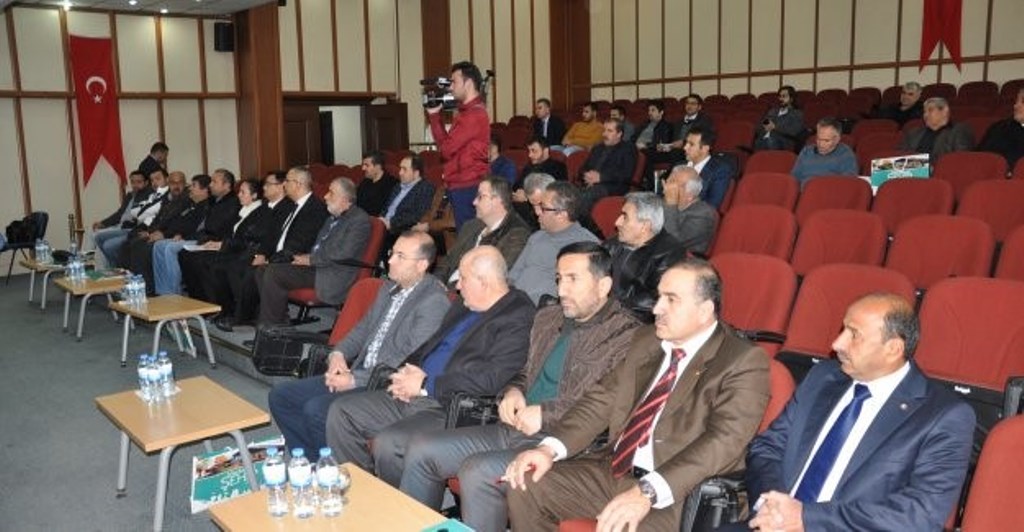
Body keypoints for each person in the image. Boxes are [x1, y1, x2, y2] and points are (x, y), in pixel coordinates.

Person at [504, 258, 771, 530]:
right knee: (526, 483)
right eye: (659, 297)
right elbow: (600, 400)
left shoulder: (742, 361)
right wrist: (548, 449)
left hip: (678, 493)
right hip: (615, 471)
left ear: (704, 311)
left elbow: (724, 441)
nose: (656, 309)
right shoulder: (647, 340)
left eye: (671, 300)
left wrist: (648, 491)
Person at [399, 242, 642, 531]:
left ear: (603, 286)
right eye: (558, 279)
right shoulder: (548, 317)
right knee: (422, 450)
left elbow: (605, 403)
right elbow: (525, 372)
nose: (562, 290)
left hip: (568, 444)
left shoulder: (628, 335)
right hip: (513, 427)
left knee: (478, 471)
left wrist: (545, 414)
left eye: (573, 279)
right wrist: (513, 391)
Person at [740, 293, 974, 532]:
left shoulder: (943, 416)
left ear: (893, 349)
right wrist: (775, 506)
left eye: (854, 335)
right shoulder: (822, 377)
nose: (836, 344)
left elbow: (918, 516)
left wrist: (806, 518)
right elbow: (767, 448)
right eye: (843, 330)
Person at [324, 246, 536, 483]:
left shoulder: (517, 315)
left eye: (463, 278)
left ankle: (396, 504)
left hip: (449, 405)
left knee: (390, 443)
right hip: (415, 391)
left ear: (484, 282)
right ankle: (361, 490)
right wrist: (404, 373)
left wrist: (426, 385)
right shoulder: (465, 304)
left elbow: (491, 378)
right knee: (342, 413)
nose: (457, 285)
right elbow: (430, 346)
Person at [268, 231, 450, 456]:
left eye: (400, 256)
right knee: (281, 396)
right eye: (392, 253)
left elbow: (406, 359)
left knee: (317, 410)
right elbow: (361, 330)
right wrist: (338, 355)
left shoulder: (433, 302)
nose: (390, 260)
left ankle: (331, 468)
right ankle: (312, 461)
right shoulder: (389, 288)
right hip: (360, 372)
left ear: (422, 264)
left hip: (384, 385)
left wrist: (355, 380)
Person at [254, 177, 370, 328]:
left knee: (273, 273)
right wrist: (305, 257)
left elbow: (343, 254)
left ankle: (271, 329)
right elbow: (319, 246)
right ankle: (279, 323)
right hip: (317, 266)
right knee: (262, 270)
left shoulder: (359, 220)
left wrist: (311, 259)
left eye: (331, 193)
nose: (325, 196)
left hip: (332, 273)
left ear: (344, 198)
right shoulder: (332, 218)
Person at [210, 171, 295, 332]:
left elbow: (273, 236)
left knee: (237, 268)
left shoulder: (286, 207)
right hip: (255, 248)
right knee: (218, 266)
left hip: (268, 252)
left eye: (268, 184)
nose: (264, 187)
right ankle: (228, 311)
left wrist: (261, 253)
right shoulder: (265, 206)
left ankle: (244, 317)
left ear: (281, 186)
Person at [179, 177, 268, 305]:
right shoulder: (243, 210)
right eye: (239, 191)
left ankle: (217, 304)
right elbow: (229, 233)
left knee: (206, 262)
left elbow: (247, 241)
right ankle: (199, 300)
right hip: (231, 247)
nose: (239, 195)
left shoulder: (259, 213)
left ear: (254, 195)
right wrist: (217, 243)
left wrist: (222, 245)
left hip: (241, 252)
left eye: (243, 192)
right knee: (187, 255)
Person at [508, 181, 600, 305]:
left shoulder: (586, 247)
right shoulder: (537, 237)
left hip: (542, 310)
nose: (537, 212)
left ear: (561, 215)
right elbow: (513, 276)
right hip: (513, 303)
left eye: (543, 208)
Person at [153, 169, 239, 295]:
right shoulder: (214, 200)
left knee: (172, 249)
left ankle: (174, 292)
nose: (210, 185)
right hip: (201, 237)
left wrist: (188, 237)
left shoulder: (232, 203)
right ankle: (163, 290)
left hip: (214, 241)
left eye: (214, 182)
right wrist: (182, 235)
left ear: (226, 185)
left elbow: (213, 228)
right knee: (159, 245)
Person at [604, 192, 686, 323]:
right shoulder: (615, 242)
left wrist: (609, 308)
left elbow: (656, 299)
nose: (617, 222)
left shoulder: (670, 254)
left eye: (625, 217)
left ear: (644, 226)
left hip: (632, 322)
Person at [433, 177, 531, 286]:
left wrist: (450, 289)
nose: (474, 202)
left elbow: (493, 277)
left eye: (480, 197)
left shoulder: (517, 234)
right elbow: (448, 261)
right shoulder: (471, 226)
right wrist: (437, 283)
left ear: (498, 200)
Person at [427, 60, 490, 230]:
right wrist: (434, 115)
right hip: (461, 184)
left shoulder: (474, 115)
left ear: (468, 83)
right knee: (465, 235)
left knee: (469, 236)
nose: (450, 87)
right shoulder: (466, 113)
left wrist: (435, 117)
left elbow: (446, 150)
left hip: (467, 185)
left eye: (454, 81)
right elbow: (445, 147)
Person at [124, 174, 211, 293]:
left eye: (193, 185)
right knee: (139, 243)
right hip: (174, 234)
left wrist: (171, 235)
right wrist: (156, 232)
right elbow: (173, 221)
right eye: (173, 183)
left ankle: (169, 290)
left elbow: (195, 227)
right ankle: (159, 289)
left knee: (162, 247)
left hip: (192, 238)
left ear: (205, 190)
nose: (190, 188)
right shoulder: (189, 203)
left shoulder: (206, 205)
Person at [91, 170, 152, 267]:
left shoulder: (148, 196)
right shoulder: (130, 195)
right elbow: (119, 214)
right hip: (121, 225)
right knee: (95, 235)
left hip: (131, 229)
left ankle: (116, 268)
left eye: (139, 182)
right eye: (133, 182)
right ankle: (107, 265)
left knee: (106, 243)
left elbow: (141, 218)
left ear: (146, 183)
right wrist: (103, 223)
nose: (135, 185)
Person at [578, 118, 638, 215]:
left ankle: (582, 223)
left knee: (589, 195)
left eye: (609, 131)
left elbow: (626, 174)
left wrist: (601, 178)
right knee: (567, 192)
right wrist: (587, 175)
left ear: (619, 134)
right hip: (589, 184)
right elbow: (583, 168)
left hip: (613, 186)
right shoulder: (597, 147)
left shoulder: (628, 149)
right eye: (604, 130)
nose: (604, 134)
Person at [648, 94, 714, 173]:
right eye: (687, 103)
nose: (689, 106)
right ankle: (649, 180)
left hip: (688, 150)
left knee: (676, 153)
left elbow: (705, 139)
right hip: (673, 150)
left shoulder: (704, 121)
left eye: (693, 104)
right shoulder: (678, 122)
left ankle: (669, 177)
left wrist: (683, 143)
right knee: (647, 153)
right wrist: (664, 146)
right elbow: (671, 139)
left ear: (699, 107)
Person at [900, 97, 975, 163]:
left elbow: (961, 159)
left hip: (941, 171)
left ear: (944, 111)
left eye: (930, 110)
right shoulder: (914, 133)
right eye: (924, 112)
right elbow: (900, 155)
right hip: (911, 170)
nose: (925, 115)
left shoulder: (958, 131)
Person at [662, 165, 717, 255]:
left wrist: (671, 204)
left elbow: (672, 244)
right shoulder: (664, 203)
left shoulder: (702, 215)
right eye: (667, 182)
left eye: (672, 185)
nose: (666, 188)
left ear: (690, 195)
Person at [790, 117, 858, 186]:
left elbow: (848, 183)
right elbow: (794, 178)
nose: (821, 144)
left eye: (826, 140)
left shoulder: (845, 155)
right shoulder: (807, 151)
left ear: (837, 139)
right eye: (818, 139)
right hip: (804, 190)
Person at [380, 154, 435, 239]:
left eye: (404, 169)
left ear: (416, 173)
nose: (400, 173)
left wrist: (391, 223)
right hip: (383, 227)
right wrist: (381, 219)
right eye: (400, 168)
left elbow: (417, 216)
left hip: (400, 232)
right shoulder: (397, 186)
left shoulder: (426, 188)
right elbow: (386, 207)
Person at [684, 126, 736, 210]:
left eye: (691, 144)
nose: (685, 147)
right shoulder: (679, 165)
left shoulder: (720, 170)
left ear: (705, 149)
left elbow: (711, 206)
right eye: (686, 143)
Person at [977, 87, 1024, 168]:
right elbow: (979, 157)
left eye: (1023, 102)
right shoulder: (999, 127)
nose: (1015, 106)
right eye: (1017, 101)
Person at [754, 86, 806, 151]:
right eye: (780, 96)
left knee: (771, 139)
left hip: (784, 143)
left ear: (791, 99)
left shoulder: (797, 113)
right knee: (759, 141)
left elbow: (794, 131)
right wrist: (764, 126)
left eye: (784, 96)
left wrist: (775, 127)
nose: (781, 99)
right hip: (764, 141)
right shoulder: (772, 111)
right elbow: (759, 126)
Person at [355, 151, 397, 217]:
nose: (363, 168)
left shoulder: (391, 184)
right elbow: (356, 201)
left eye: (367, 165)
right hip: (359, 217)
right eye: (363, 165)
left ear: (378, 167)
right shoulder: (365, 181)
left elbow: (381, 209)